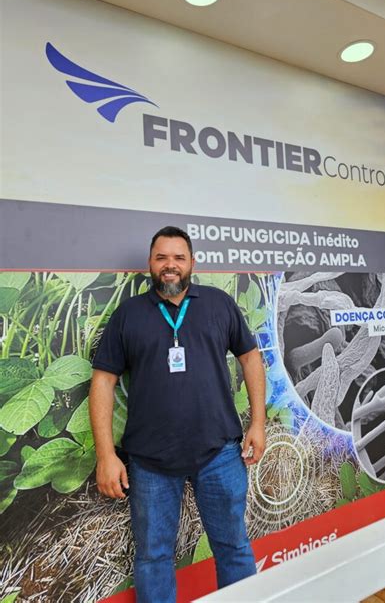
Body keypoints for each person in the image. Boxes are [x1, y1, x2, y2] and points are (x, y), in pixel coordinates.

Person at [89, 226, 266, 603]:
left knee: (233, 547)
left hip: (219, 453)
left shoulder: (219, 305)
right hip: (150, 461)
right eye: (162, 258)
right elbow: (103, 381)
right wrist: (106, 455)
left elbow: (251, 358)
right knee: (154, 558)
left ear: (192, 263)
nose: (170, 266)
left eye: (178, 258)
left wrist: (258, 422)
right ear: (150, 265)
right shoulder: (128, 315)